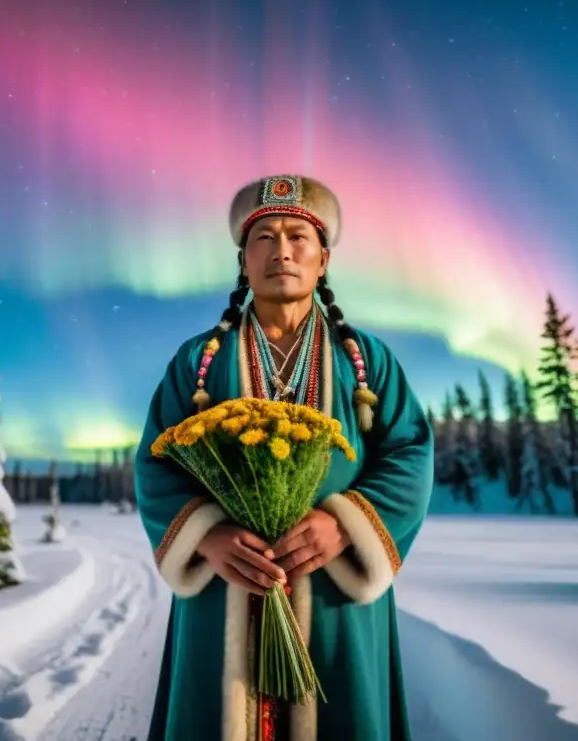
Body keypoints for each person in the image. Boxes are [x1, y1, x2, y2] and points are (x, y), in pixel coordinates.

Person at [135, 175, 434, 740]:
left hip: (332, 583)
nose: (282, 250)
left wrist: (343, 525)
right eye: (264, 237)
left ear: (323, 259)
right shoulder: (199, 360)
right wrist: (207, 538)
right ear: (243, 262)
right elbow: (156, 460)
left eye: (298, 235)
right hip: (227, 581)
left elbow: (410, 451)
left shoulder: (366, 360)